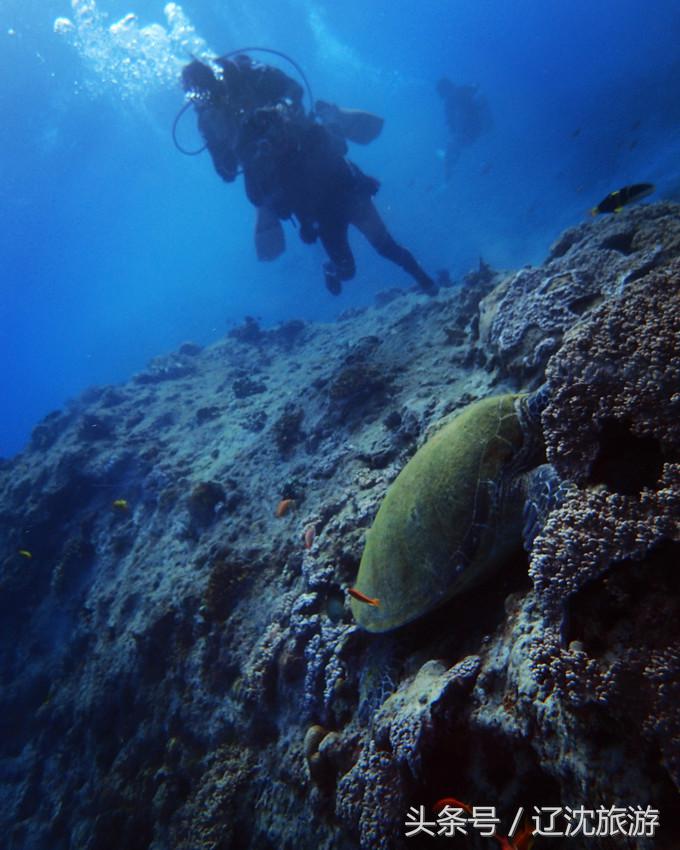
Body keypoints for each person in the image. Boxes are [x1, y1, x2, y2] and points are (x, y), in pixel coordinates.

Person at [181, 55, 437, 295]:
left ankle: (427, 283)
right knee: (352, 266)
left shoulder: (245, 81)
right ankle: (334, 269)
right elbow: (226, 170)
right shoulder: (216, 113)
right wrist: (247, 146)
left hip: (326, 178)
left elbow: (293, 92)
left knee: (384, 245)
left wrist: (273, 119)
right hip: (311, 193)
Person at [436, 77, 491, 180]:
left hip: (469, 131)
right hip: (479, 127)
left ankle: (447, 177)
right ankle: (454, 162)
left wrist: (458, 134)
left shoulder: (454, 97)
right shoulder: (464, 91)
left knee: (452, 146)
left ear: (445, 90)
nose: (443, 97)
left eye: (442, 94)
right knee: (456, 147)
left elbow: (460, 115)